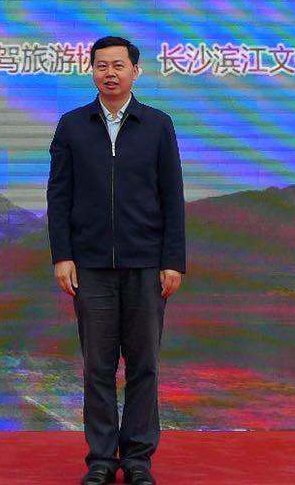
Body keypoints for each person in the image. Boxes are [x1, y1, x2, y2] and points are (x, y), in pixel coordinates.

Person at [47, 35, 186, 485]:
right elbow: (59, 197)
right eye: (102, 65)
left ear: (135, 72)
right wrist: (63, 256)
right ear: (91, 71)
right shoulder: (72, 125)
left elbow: (172, 196)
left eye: (119, 65)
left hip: (146, 264)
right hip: (90, 267)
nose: (110, 73)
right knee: (98, 367)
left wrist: (173, 260)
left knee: (144, 365)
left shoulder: (158, 124)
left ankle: (139, 459)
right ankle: (103, 459)